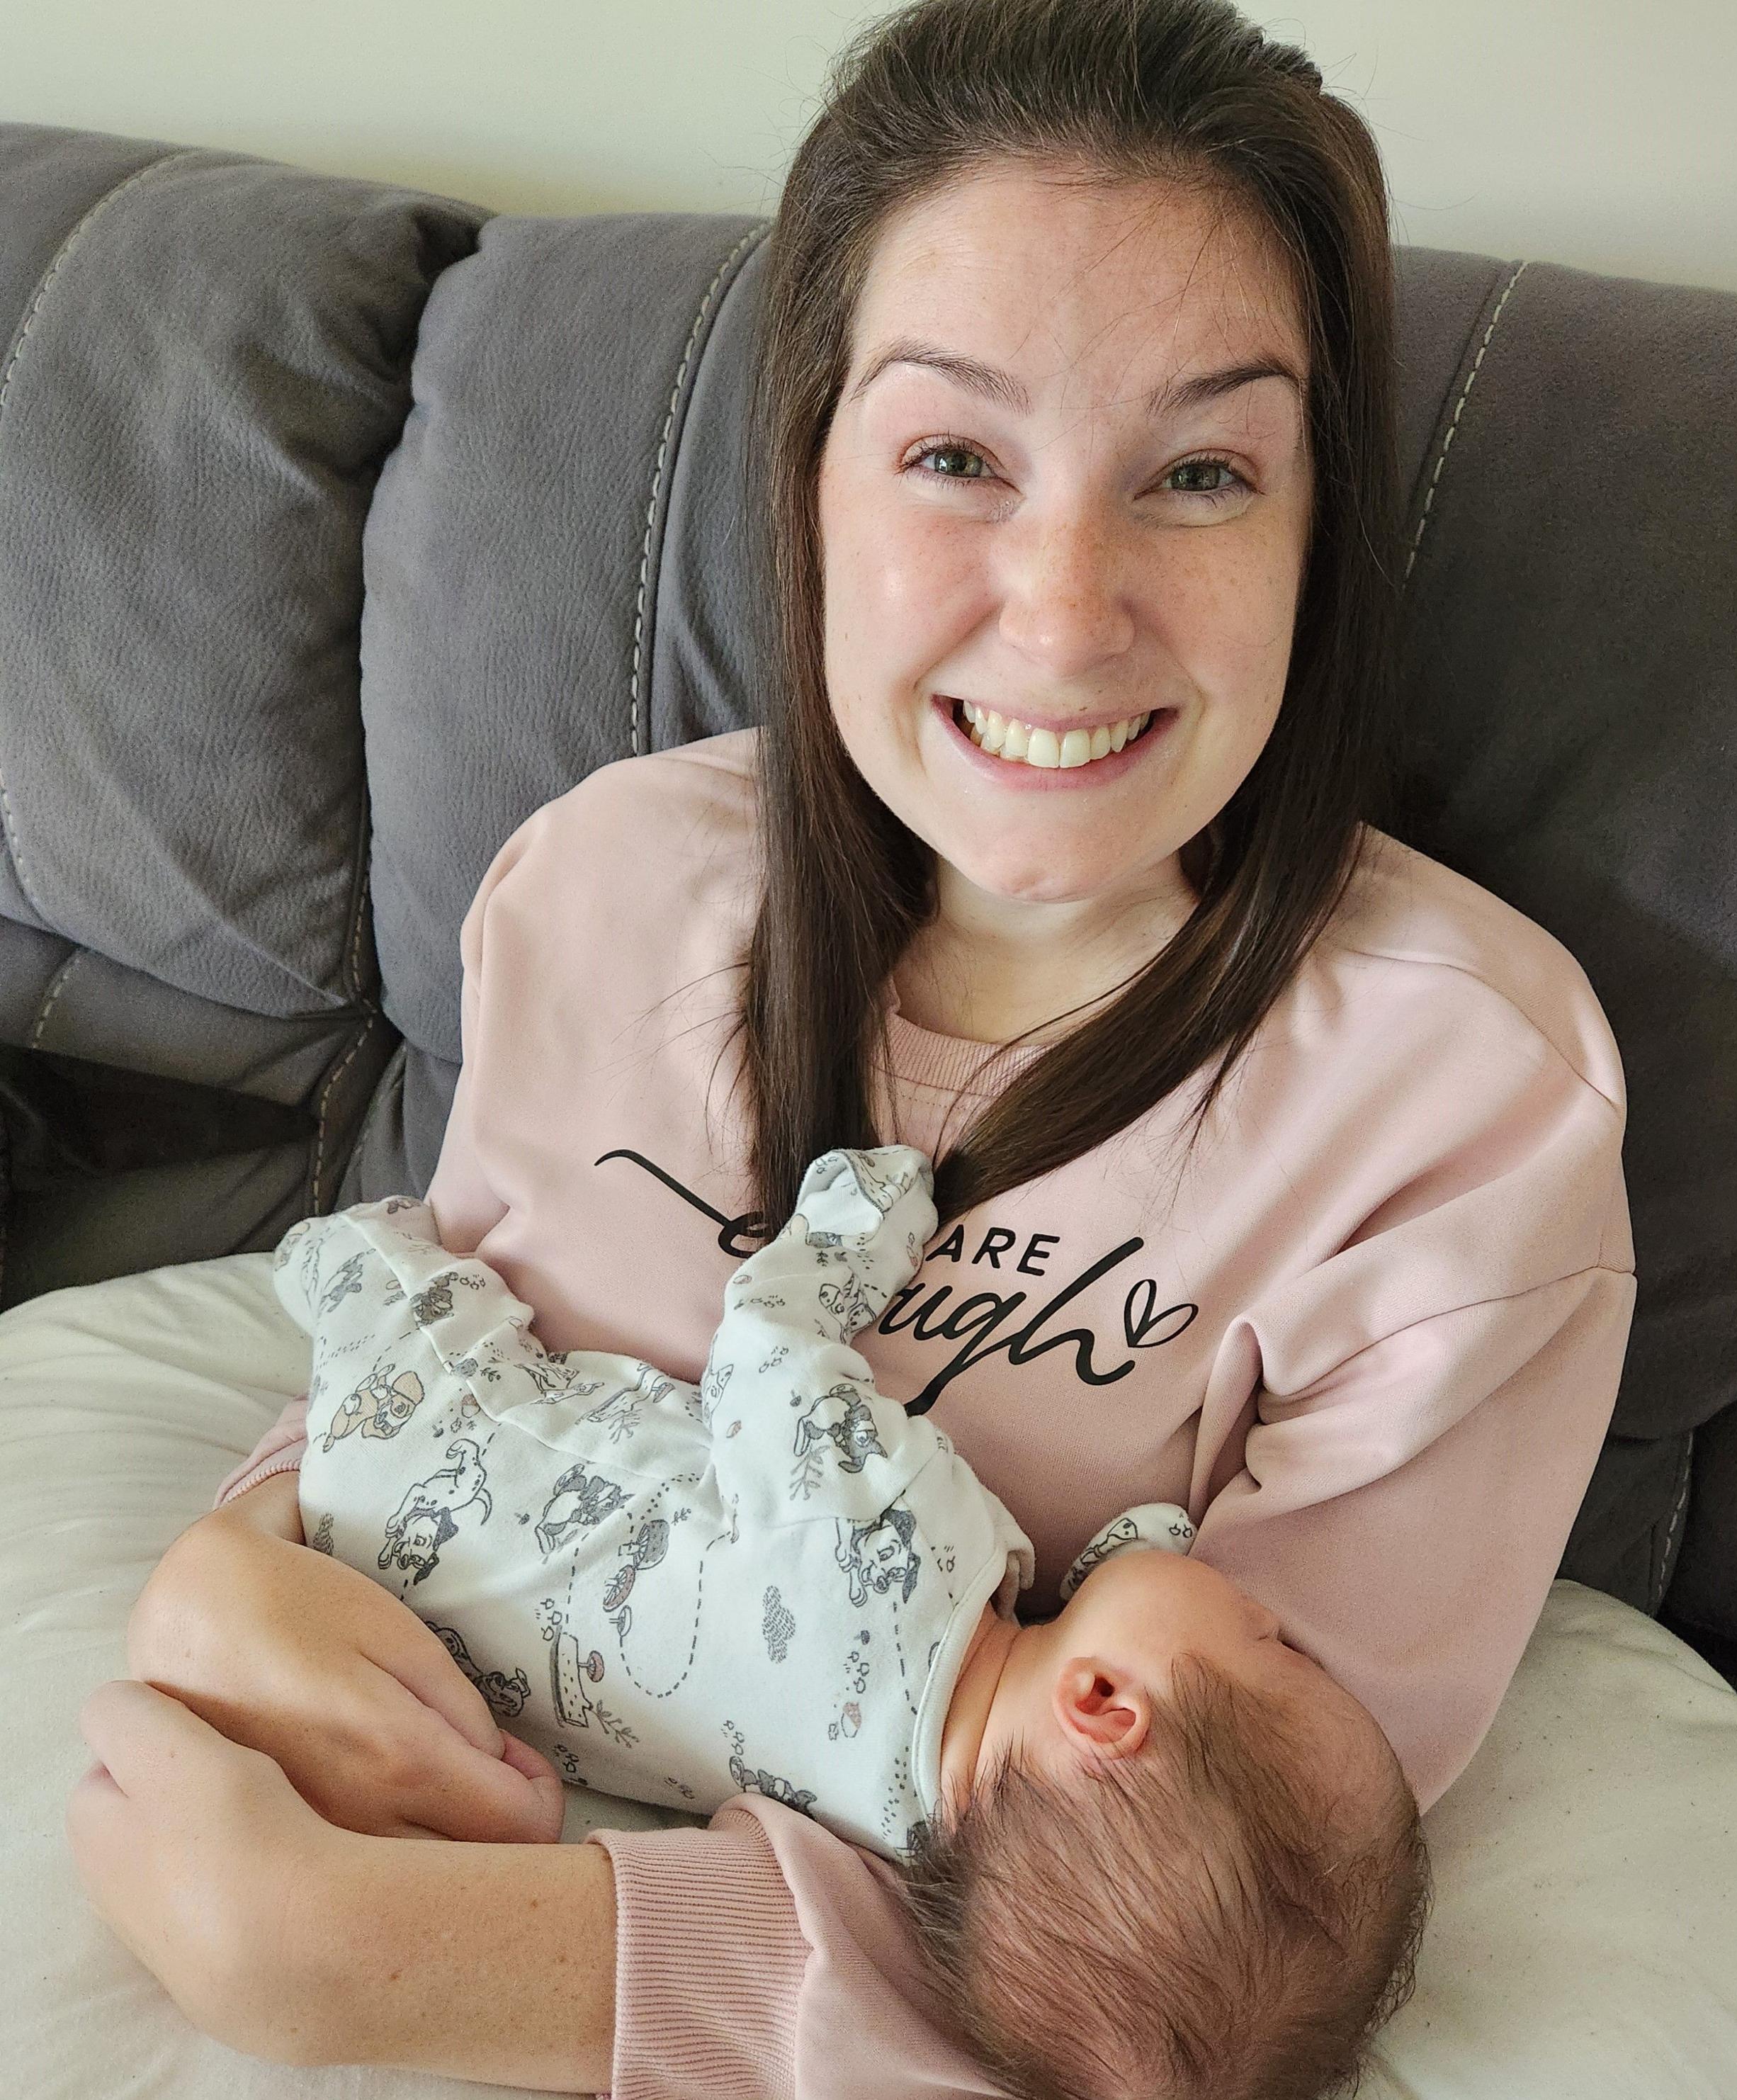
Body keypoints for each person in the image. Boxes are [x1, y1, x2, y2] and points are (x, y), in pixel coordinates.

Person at [86, 0, 1636, 2092]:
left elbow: (1197, 1944)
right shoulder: (601, 892)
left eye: (1200, 469)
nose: (1066, 607)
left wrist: (395, 1961)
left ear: (1318, 527)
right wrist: (244, 1554)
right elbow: (487, 1342)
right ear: (810, 475)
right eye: (953, 455)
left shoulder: (1467, 1117)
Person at [274, 1143, 1429, 2096]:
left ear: (1105, 1704)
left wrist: (856, 1223)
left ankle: (327, 1258)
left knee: (386, 1269)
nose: (1262, 1611)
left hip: (429, 1449)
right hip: (409, 1609)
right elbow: (1092, 1617)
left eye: (1271, 1644)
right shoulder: (891, 1827)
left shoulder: (906, 1559)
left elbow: (767, 1353)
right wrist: (1144, 1562)